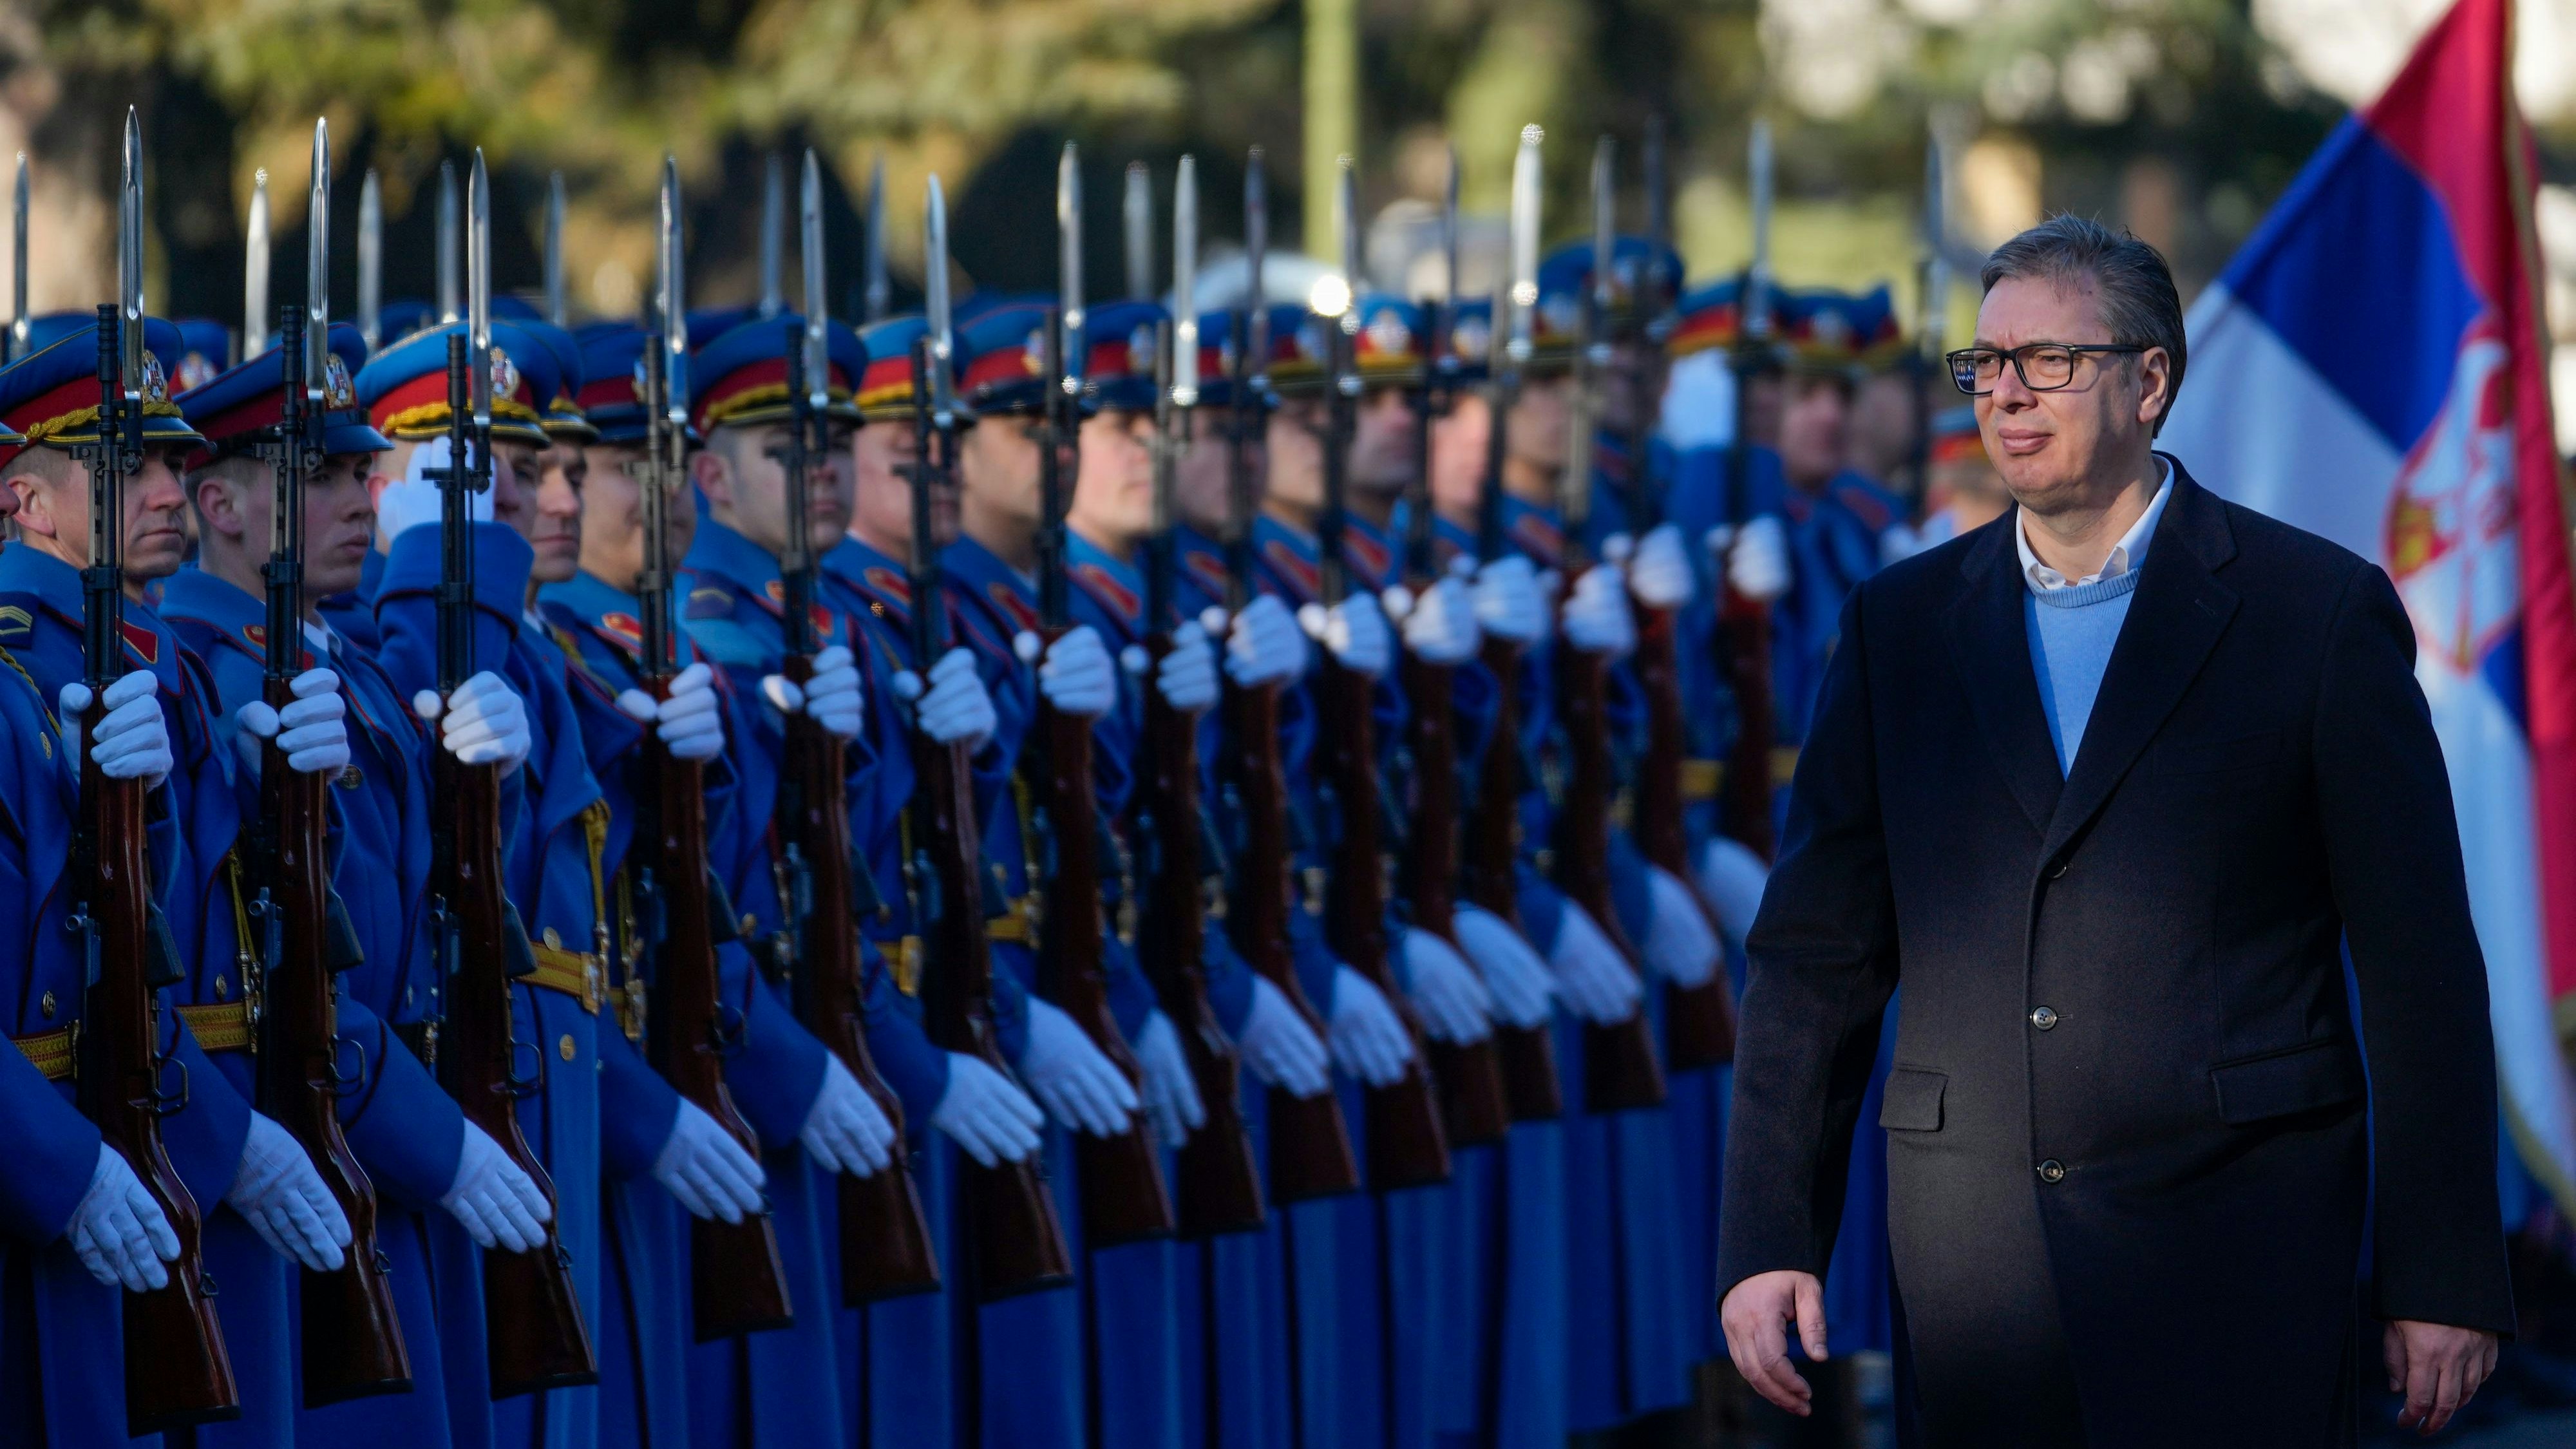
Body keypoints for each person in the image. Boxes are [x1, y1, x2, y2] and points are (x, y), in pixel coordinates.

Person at [1716, 215, 2516, 1444]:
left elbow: (2419, 964)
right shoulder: (1902, 626)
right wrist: (1771, 1236)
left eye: (2049, 360)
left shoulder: (2314, 612)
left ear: (2151, 381)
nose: (2007, 393)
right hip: (1980, 1264)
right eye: (1985, 363)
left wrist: (2444, 1271)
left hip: (2238, 1251)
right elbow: (1817, 956)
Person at [169, 319, 556, 1449]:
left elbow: (448, 894)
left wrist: (503, 783)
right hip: (319, 1144)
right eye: (317, 474)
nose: (356, 496)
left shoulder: (358, 674)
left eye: (355, 469)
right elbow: (275, 966)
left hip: (399, 1136)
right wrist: (432, 1136)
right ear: (222, 507)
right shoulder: (207, 680)